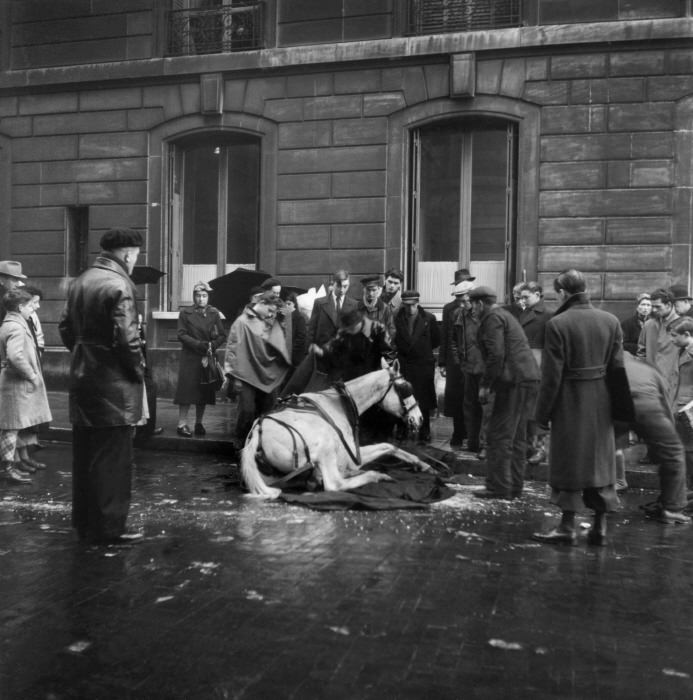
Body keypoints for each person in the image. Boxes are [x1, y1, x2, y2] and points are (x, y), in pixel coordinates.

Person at [532, 269, 633, 546]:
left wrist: (541, 418)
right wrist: (622, 412)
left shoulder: (558, 324)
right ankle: (599, 526)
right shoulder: (610, 320)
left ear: (563, 293)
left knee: (569, 461)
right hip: (602, 400)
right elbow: (618, 368)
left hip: (570, 400)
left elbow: (551, 377)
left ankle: (566, 526)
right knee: (600, 462)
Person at [58, 227, 146, 545]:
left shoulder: (82, 281)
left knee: (85, 458)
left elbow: (66, 327)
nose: (135, 262)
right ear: (126, 254)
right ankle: (109, 529)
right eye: (135, 256)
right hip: (114, 387)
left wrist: (86, 354)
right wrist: (138, 371)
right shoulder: (120, 284)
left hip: (84, 381)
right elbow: (127, 339)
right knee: (113, 462)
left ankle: (85, 525)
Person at [469, 286, 540, 500]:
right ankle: (513, 487)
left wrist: (485, 385)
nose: (470, 309)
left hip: (513, 382)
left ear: (480, 304)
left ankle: (498, 487)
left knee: (498, 435)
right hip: (527, 379)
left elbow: (496, 355)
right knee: (518, 437)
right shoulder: (504, 315)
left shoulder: (492, 318)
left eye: (471, 304)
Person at [620, 352, 690, 523]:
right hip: (645, 404)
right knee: (673, 454)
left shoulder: (611, 364)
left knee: (608, 451)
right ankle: (672, 508)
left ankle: (601, 503)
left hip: (614, 406)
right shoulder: (648, 369)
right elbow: (665, 407)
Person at [315, 307, 396, 443]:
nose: (349, 331)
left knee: (375, 414)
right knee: (355, 412)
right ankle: (357, 442)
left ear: (360, 323)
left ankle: (378, 443)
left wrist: (383, 374)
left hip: (373, 379)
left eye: (352, 328)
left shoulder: (377, 329)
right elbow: (333, 347)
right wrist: (322, 352)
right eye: (347, 328)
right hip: (352, 379)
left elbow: (390, 353)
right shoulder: (345, 331)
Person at [0, 289, 52, 483]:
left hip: (12, 383)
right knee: (11, 427)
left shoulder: (10, 323)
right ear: (20, 307)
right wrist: (31, 375)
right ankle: (7, 468)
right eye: (31, 305)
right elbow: (15, 356)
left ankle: (11, 466)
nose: (33, 308)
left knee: (12, 426)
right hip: (16, 385)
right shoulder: (16, 327)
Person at [224, 291, 291, 441]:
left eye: (273, 312)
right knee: (247, 411)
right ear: (262, 304)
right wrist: (235, 378)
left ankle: (262, 445)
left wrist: (285, 318)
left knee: (268, 412)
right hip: (246, 375)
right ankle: (241, 444)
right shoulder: (241, 322)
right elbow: (232, 350)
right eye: (270, 310)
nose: (270, 314)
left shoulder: (271, 321)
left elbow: (280, 344)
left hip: (267, 374)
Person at [173, 281, 227, 437]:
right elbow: (181, 334)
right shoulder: (185, 313)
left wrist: (212, 345)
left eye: (204, 296)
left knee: (204, 391)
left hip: (207, 357)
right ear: (193, 297)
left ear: (208, 297)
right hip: (190, 357)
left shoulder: (214, 313)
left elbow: (222, 335)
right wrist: (199, 345)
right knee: (186, 391)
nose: (201, 299)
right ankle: (182, 424)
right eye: (198, 296)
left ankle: (199, 423)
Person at [394, 290, 440, 443]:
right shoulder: (397, 318)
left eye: (413, 305)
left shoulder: (429, 318)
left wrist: (422, 352)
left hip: (422, 365)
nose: (410, 309)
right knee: (403, 398)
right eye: (407, 305)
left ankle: (425, 430)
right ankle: (402, 428)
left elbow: (435, 341)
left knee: (424, 400)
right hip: (404, 364)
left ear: (418, 303)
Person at [438, 268, 476, 447]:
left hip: (473, 361)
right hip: (455, 362)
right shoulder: (449, 309)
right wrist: (443, 362)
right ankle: (458, 432)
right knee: (455, 398)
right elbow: (447, 336)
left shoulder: (478, 308)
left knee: (472, 398)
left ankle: (471, 434)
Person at [518, 281, 553, 465]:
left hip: (538, 367)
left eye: (526, 297)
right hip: (523, 367)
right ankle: (527, 448)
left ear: (538, 295)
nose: (522, 300)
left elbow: (550, 346)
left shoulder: (547, 316)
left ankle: (540, 449)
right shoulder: (524, 313)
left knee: (537, 413)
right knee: (524, 411)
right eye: (521, 297)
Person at [449, 281, 485, 455]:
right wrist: (460, 362)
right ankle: (472, 441)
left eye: (465, 300)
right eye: (459, 301)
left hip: (485, 369)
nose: (462, 305)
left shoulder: (485, 314)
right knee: (469, 406)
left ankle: (485, 444)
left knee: (486, 406)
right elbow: (454, 341)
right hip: (468, 368)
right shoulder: (458, 314)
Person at [637, 288, 679, 405]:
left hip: (675, 384)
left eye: (658, 307)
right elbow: (641, 352)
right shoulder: (649, 325)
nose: (654, 310)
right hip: (651, 382)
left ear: (669, 305)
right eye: (652, 306)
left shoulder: (683, 325)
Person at [669, 316, 693, 490]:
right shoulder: (681, 350)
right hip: (678, 407)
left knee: (689, 453)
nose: (671, 339)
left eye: (674, 335)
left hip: (688, 410)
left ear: (686, 334)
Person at [308, 269, 358, 347]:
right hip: (322, 352)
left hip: (344, 353)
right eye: (339, 286)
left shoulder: (354, 305)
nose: (342, 290)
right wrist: (310, 348)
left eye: (345, 286)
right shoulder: (319, 303)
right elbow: (311, 330)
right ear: (333, 284)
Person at [358, 274, 395, 340]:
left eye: (374, 290)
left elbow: (391, 328)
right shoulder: (357, 306)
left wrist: (387, 340)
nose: (371, 293)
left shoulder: (385, 308)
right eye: (368, 290)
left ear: (378, 290)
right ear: (364, 290)